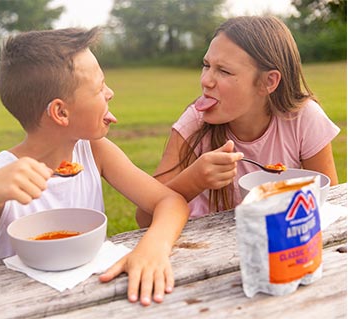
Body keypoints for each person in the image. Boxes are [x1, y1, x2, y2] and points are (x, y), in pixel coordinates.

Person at [0, 27, 190, 306]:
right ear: (60, 112)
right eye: (100, 88)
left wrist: (154, 247)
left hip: (89, 301)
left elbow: (169, 201)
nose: (110, 93)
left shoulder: (93, 152)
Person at [136, 15, 339, 224]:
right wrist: (193, 181)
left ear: (268, 82)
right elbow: (144, 218)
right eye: (206, 65)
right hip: (202, 245)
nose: (205, 80)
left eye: (223, 71)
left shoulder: (303, 119)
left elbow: (328, 200)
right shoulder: (194, 121)